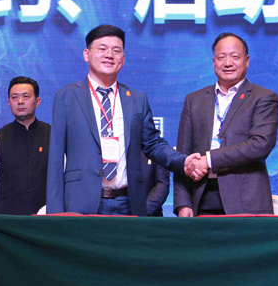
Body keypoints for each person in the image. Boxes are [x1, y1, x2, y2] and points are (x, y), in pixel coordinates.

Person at [46, 24, 203, 216]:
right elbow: (55, 159)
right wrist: (54, 214)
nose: (109, 55)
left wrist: (183, 161)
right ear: (87, 54)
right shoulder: (66, 97)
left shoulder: (136, 99)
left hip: (128, 204)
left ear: (123, 59)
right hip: (81, 204)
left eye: (116, 50)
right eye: (102, 49)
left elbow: (153, 144)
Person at [174, 32, 278, 216]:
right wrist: (183, 203)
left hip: (246, 203)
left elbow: (260, 145)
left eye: (235, 57)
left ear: (247, 60)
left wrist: (209, 160)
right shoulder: (194, 100)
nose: (228, 63)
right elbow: (183, 155)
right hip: (201, 198)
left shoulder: (264, 98)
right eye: (221, 57)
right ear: (213, 61)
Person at [0, 76, 51, 215]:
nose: (20, 101)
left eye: (26, 96)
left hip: (45, 220)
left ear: (37, 101)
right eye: (15, 97)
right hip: (5, 221)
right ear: (9, 102)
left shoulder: (53, 136)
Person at [142, 152, 170, 217]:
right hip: (120, 210)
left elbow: (162, 183)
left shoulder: (157, 150)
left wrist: (146, 210)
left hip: (150, 214)